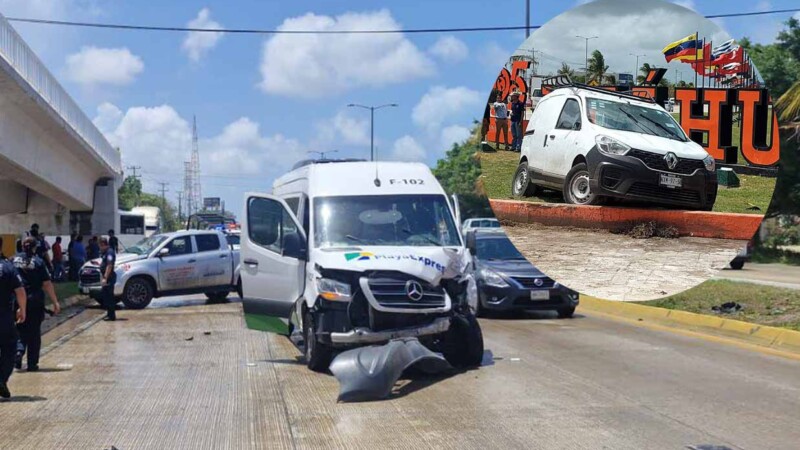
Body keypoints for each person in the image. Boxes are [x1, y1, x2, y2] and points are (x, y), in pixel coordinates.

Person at [13, 238, 59, 372]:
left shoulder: (13, 260)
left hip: (16, 301)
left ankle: (18, 353)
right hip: (34, 301)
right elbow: (47, 283)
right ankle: (32, 364)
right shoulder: (38, 262)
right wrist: (55, 301)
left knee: (19, 329)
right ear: (34, 248)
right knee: (33, 333)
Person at [0, 254, 26, 398]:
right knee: (9, 349)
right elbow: (20, 291)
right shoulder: (8, 268)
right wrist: (22, 309)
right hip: (4, 317)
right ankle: (1, 379)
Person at [99, 237, 117, 321]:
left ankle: (111, 315)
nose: (100, 248)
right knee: (105, 296)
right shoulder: (106, 252)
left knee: (109, 297)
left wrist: (105, 278)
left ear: (104, 245)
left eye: (101, 246)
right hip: (106, 277)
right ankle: (109, 313)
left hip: (109, 278)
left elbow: (109, 265)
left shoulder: (109, 252)